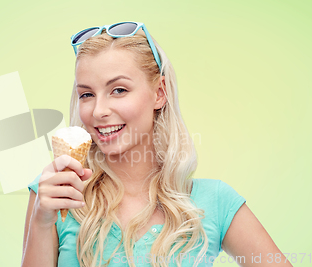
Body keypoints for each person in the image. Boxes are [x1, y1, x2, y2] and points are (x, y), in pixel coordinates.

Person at [21, 22, 291, 267]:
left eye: (119, 90)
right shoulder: (56, 195)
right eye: (87, 94)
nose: (98, 111)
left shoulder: (215, 202)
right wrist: (42, 221)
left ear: (159, 93)